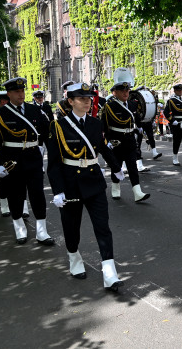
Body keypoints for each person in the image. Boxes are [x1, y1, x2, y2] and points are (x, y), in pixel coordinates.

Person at [46, 82, 124, 292]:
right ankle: (74, 257)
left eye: (89, 98)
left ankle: (109, 272)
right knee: (72, 228)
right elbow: (53, 163)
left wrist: (117, 167)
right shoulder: (58, 126)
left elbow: (102, 148)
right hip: (70, 183)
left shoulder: (95, 123)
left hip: (94, 181)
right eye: (82, 98)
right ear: (70, 101)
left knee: (102, 227)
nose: (87, 101)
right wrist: (58, 190)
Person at [0, 77, 54, 246]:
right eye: (17, 91)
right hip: (12, 160)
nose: (21, 94)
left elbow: (47, 133)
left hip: (33, 158)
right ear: (9, 94)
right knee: (16, 196)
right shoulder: (0, 114)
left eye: (22, 91)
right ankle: (19, 227)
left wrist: (52, 153)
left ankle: (42, 231)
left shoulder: (35, 110)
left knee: (37, 195)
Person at [100, 78, 151, 202]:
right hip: (116, 141)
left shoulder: (132, 104)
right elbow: (104, 126)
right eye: (122, 91)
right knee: (116, 166)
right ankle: (115, 187)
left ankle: (137, 192)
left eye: (127, 90)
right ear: (115, 93)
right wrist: (108, 141)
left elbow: (137, 119)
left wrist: (140, 129)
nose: (125, 93)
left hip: (129, 139)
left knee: (132, 166)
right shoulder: (110, 107)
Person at [134, 86, 162, 171]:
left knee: (150, 136)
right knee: (138, 140)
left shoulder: (149, 99)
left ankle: (154, 152)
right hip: (140, 121)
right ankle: (138, 155)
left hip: (147, 120)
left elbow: (152, 108)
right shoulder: (135, 100)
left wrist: (152, 118)